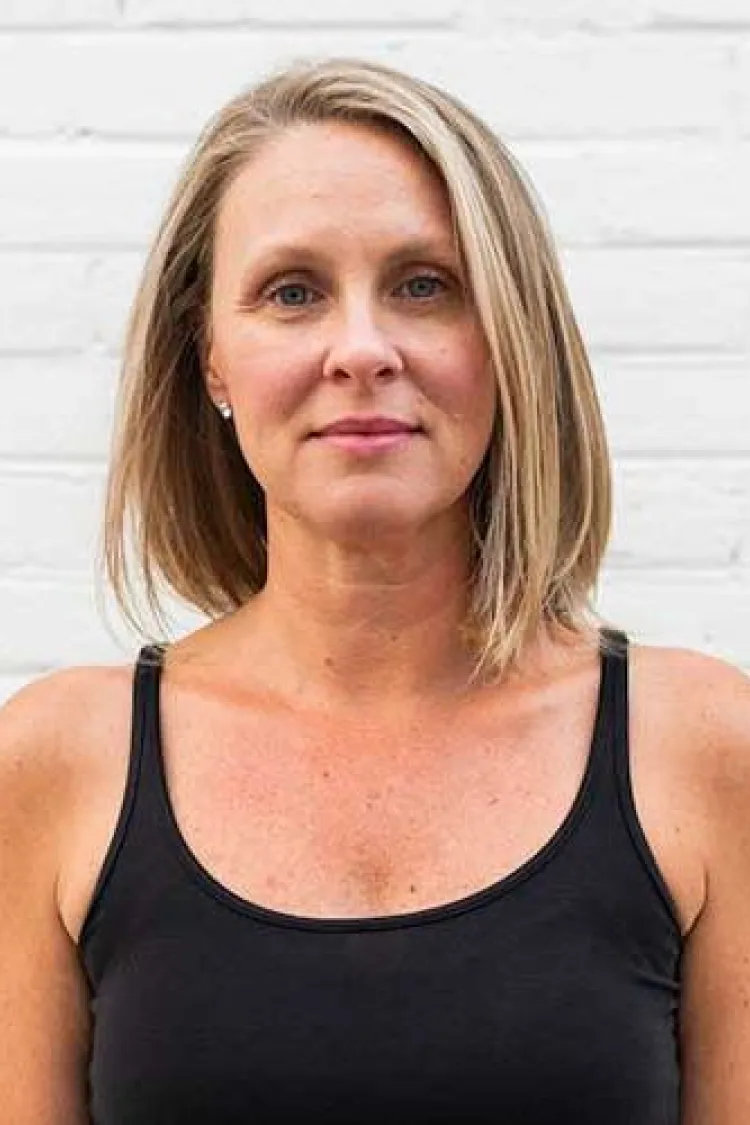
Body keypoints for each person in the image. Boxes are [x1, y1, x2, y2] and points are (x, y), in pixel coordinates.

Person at [0, 54, 748, 1125]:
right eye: (292, 292)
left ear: (509, 339)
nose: (360, 350)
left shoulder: (705, 750)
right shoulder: (52, 766)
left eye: (423, 285)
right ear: (211, 358)